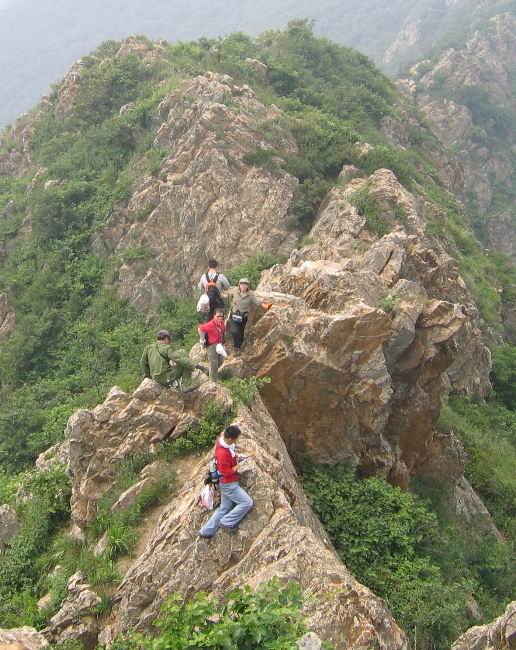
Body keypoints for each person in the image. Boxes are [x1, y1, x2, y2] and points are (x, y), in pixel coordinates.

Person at [199, 424, 253, 539]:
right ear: (229, 438)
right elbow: (226, 472)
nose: (236, 441)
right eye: (235, 439)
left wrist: (237, 456)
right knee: (247, 503)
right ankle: (227, 522)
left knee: (224, 508)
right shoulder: (223, 454)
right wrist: (239, 465)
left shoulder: (222, 442)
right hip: (229, 484)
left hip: (224, 483)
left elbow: (231, 452)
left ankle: (206, 531)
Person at [141, 330, 207, 390]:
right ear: (166, 339)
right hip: (165, 378)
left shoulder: (148, 348)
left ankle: (176, 386)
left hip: (155, 378)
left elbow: (143, 362)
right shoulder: (166, 348)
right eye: (169, 340)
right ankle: (186, 385)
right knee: (184, 364)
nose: (170, 342)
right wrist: (196, 366)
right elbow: (179, 359)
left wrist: (148, 376)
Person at [228, 278, 272, 355]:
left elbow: (257, 303)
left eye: (245, 285)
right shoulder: (235, 292)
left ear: (247, 286)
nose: (243, 286)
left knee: (241, 332)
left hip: (243, 317)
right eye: (242, 284)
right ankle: (236, 347)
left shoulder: (250, 295)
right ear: (239, 285)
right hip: (234, 315)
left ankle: (239, 347)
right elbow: (227, 295)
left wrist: (266, 306)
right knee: (234, 331)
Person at [197, 308, 226, 382]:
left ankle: (209, 373)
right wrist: (202, 339)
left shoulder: (222, 323)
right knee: (213, 365)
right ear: (214, 316)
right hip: (212, 346)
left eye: (221, 316)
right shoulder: (211, 324)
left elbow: (223, 331)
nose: (220, 318)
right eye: (218, 316)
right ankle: (212, 382)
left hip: (219, 345)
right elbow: (200, 328)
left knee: (220, 361)